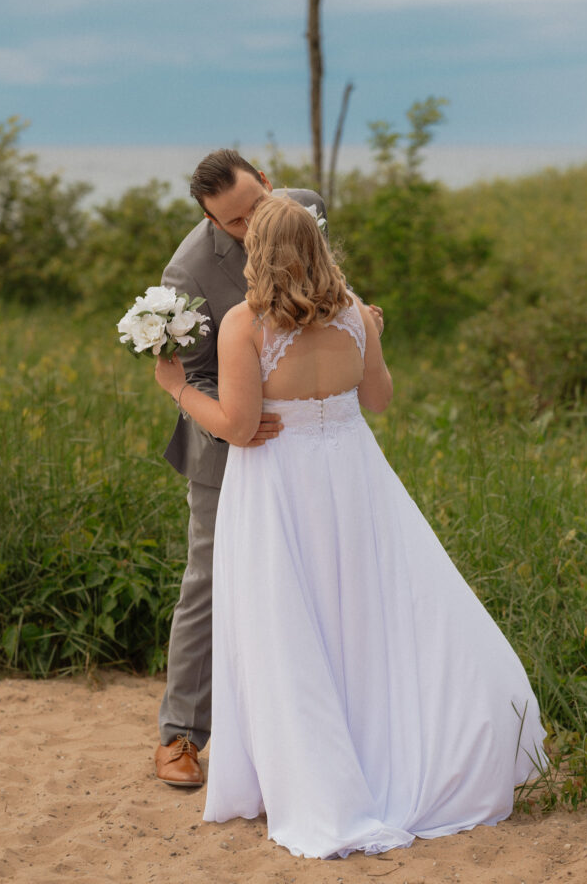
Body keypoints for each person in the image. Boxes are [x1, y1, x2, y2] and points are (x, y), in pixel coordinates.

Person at [154, 196, 547, 859]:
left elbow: (241, 430)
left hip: (279, 485)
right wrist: (372, 337)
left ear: (261, 252)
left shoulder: (245, 325)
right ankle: (384, 749)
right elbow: (378, 398)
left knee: (291, 624)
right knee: (368, 617)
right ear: (316, 246)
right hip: (353, 478)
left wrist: (178, 389)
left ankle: (312, 774)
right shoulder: (357, 313)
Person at [154, 149, 327, 787]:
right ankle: (180, 735)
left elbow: (325, 297)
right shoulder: (189, 272)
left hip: (311, 438)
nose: (252, 226)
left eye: (257, 206)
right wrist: (241, 419)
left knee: (316, 569)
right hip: (228, 446)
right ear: (208, 221)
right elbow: (192, 373)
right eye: (232, 222)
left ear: (269, 182)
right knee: (208, 579)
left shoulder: (308, 209)